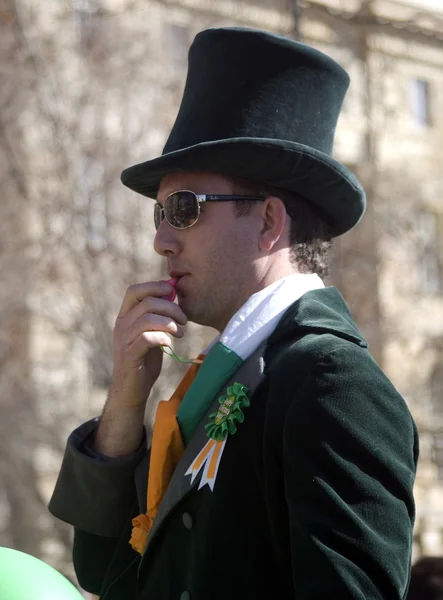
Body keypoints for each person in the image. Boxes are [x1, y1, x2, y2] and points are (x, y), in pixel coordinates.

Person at [49, 27, 418, 599]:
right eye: (159, 214)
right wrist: (125, 404)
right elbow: (109, 575)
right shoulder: (227, 371)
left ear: (269, 221)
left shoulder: (330, 382)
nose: (162, 241)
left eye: (184, 208)